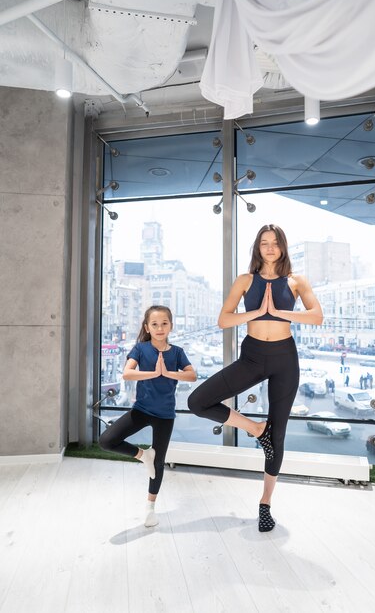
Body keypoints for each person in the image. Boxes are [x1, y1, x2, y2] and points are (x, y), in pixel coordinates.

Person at [188, 224, 323, 532]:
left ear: (283, 246)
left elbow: (316, 316)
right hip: (252, 357)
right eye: (265, 243)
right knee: (198, 401)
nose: (270, 247)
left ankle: (265, 504)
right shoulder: (246, 280)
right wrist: (257, 313)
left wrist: (279, 312)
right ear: (258, 248)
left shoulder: (296, 281)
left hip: (284, 359)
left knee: (278, 438)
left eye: (275, 243)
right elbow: (224, 319)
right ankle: (254, 428)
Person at [99, 305, 196, 527]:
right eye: (155, 324)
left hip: (165, 415)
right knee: (106, 441)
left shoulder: (177, 352)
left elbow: (192, 375)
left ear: (171, 325)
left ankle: (150, 508)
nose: (160, 328)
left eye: (164, 323)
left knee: (159, 462)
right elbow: (127, 373)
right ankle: (143, 455)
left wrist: (168, 373)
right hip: (141, 410)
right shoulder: (141, 349)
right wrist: (155, 373)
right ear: (147, 327)